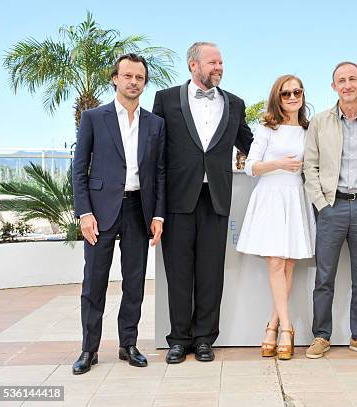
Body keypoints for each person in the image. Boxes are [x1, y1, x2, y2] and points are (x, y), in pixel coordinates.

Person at [152, 42, 253, 364]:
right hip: (178, 198)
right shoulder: (166, 100)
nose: (219, 67)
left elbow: (251, 143)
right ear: (193, 65)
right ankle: (179, 339)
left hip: (216, 199)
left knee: (211, 273)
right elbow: (154, 150)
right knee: (178, 273)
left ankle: (205, 338)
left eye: (221, 62)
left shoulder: (234, 103)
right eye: (212, 62)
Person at [72, 53, 166, 374]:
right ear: (115, 78)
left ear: (144, 82)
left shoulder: (155, 124)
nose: (133, 82)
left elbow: (160, 173)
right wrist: (84, 212)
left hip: (139, 211)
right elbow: (79, 168)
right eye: (127, 76)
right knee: (94, 282)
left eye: (139, 77)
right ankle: (89, 349)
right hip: (100, 213)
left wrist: (158, 215)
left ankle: (128, 344)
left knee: (135, 283)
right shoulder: (94, 118)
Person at [303, 61, 357, 359]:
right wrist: (322, 204)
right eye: (341, 80)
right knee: (324, 276)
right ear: (334, 86)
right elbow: (310, 165)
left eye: (352, 79)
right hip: (331, 207)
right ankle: (321, 336)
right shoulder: (320, 122)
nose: (347, 84)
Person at [236, 75, 315, 360]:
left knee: (290, 260)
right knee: (275, 260)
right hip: (271, 196)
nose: (293, 97)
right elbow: (251, 167)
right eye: (286, 93)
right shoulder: (267, 127)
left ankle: (272, 324)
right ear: (277, 98)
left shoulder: (309, 129)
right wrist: (278, 163)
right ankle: (288, 328)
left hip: (296, 196)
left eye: (297, 92)